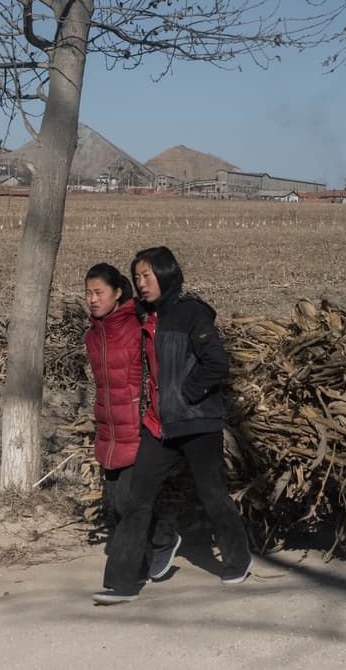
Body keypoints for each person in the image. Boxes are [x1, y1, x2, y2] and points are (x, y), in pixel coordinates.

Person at [93, 246, 252, 605]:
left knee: (213, 497)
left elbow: (217, 363)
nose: (141, 283)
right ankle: (122, 583)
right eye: (137, 277)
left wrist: (185, 394)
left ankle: (238, 559)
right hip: (159, 425)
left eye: (147, 275)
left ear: (166, 274)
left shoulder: (191, 313)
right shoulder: (145, 315)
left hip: (196, 423)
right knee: (135, 501)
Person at [82, 263, 181, 586]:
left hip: (139, 427)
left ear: (118, 293)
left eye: (99, 293)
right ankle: (147, 554)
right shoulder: (92, 337)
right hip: (108, 429)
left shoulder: (137, 326)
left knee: (129, 501)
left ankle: (160, 543)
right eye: (88, 293)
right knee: (120, 503)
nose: (93, 300)